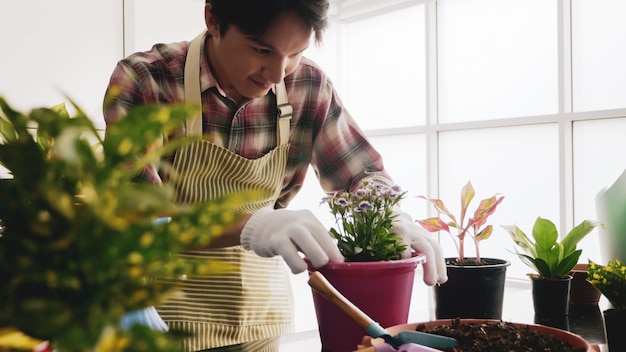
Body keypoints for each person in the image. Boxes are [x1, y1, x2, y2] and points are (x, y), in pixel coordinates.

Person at [103, 0, 447, 351]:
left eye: (295, 52)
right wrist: (249, 226)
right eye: (261, 49)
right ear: (213, 19)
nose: (277, 73)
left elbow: (361, 172)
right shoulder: (147, 81)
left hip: (260, 320)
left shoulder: (307, 86)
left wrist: (387, 215)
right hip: (159, 321)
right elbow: (139, 217)